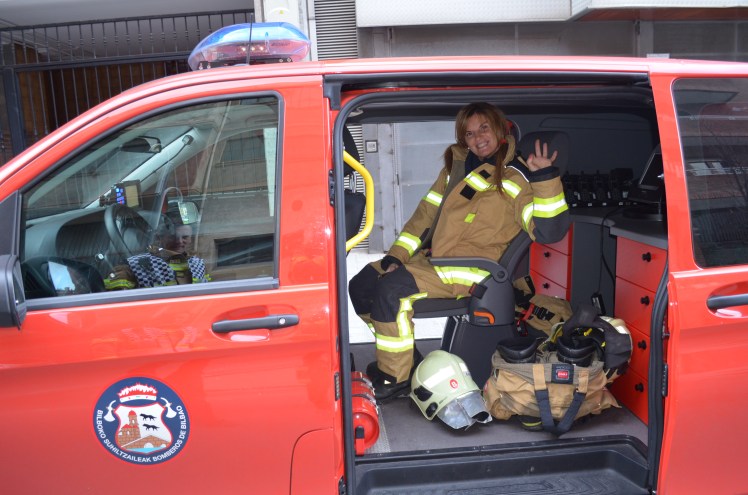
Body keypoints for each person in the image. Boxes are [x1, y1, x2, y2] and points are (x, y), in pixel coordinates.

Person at [348, 102, 570, 401]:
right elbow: (425, 216)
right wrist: (396, 256)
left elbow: (548, 231)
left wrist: (545, 179)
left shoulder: (517, 178)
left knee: (391, 291)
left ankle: (395, 377)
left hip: (470, 269)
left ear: (500, 129)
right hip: (437, 261)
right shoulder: (457, 168)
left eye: (484, 128)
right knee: (362, 284)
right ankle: (403, 358)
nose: (478, 138)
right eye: (469, 133)